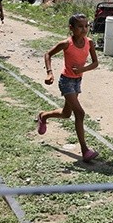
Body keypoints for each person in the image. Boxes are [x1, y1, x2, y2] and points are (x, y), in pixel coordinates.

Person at [36, 13, 100, 162]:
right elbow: (48, 54)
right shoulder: (66, 43)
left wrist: (82, 70)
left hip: (77, 81)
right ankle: (85, 151)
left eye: (86, 26)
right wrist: (49, 73)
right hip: (66, 81)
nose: (84, 29)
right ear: (71, 28)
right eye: (80, 26)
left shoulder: (89, 42)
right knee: (80, 113)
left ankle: (43, 116)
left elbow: (95, 63)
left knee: (66, 113)